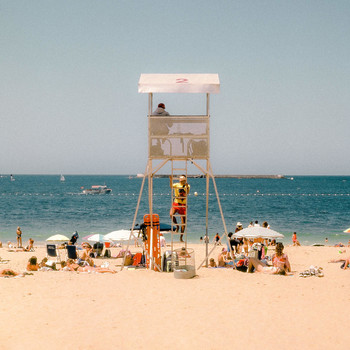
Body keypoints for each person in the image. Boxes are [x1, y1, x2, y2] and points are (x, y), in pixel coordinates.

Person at [169, 175, 190, 242]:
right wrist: (170, 180)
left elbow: (187, 193)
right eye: (180, 178)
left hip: (183, 204)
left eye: (182, 178)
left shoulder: (187, 186)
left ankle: (181, 237)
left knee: (183, 222)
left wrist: (186, 187)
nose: (180, 179)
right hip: (176, 202)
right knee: (171, 214)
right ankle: (177, 226)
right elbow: (171, 186)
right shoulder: (176, 185)